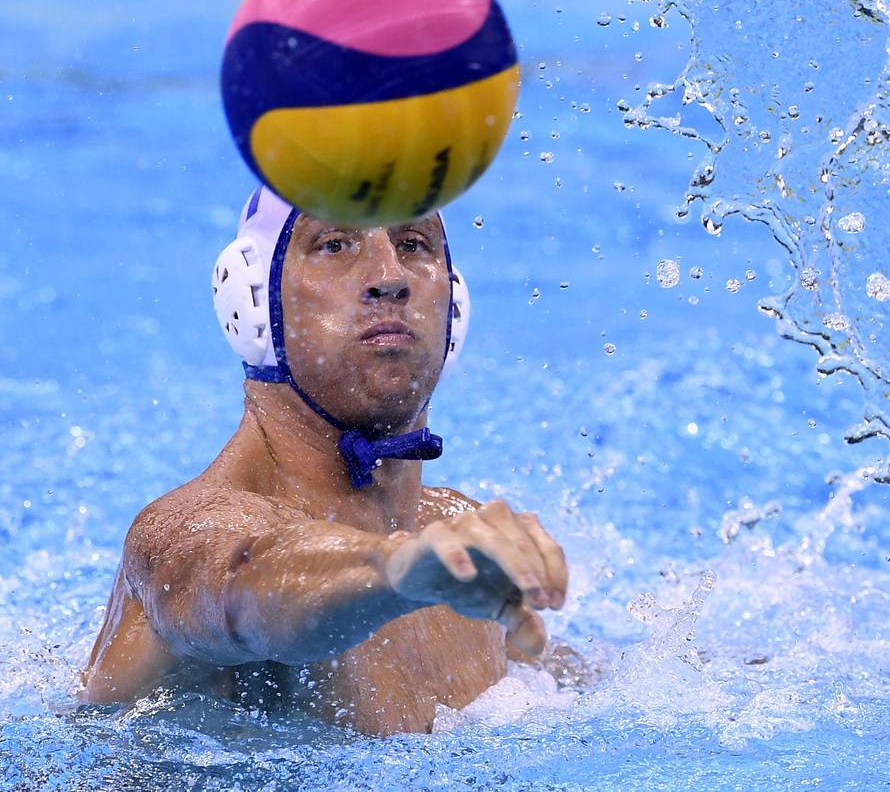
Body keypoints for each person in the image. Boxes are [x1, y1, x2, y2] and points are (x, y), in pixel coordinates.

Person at [80, 186, 568, 736]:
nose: (390, 276)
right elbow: (246, 585)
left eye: (413, 243)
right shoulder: (185, 535)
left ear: (455, 306)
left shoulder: (453, 543)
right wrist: (395, 570)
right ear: (253, 302)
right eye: (335, 245)